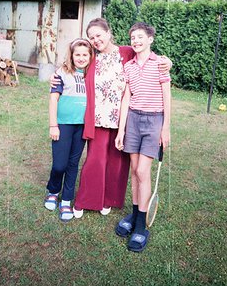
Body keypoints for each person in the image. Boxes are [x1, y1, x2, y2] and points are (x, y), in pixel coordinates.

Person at [50, 18, 172, 218]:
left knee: (117, 164)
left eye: (99, 35)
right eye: (92, 37)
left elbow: (149, 55)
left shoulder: (126, 52)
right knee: (95, 161)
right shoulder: (92, 59)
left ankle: (108, 200)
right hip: (98, 119)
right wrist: (55, 77)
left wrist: (168, 62)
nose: (96, 40)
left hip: (124, 121)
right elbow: (72, 67)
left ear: (108, 33)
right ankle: (85, 201)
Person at [115, 22, 171, 252]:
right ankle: (136, 213)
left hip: (153, 120)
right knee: (135, 170)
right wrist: (121, 130)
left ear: (150, 39)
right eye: (132, 38)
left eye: (140, 37)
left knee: (142, 172)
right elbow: (126, 99)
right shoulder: (128, 66)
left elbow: (167, 97)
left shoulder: (160, 64)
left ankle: (141, 226)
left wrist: (165, 128)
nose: (135, 41)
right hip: (133, 121)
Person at [44, 38, 94, 222]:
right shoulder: (62, 73)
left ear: (90, 56)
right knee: (60, 165)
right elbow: (53, 100)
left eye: (85, 55)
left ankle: (66, 200)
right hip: (63, 125)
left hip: (81, 126)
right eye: (77, 54)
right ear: (71, 56)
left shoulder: (92, 73)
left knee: (73, 164)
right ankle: (53, 191)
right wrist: (53, 125)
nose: (81, 58)